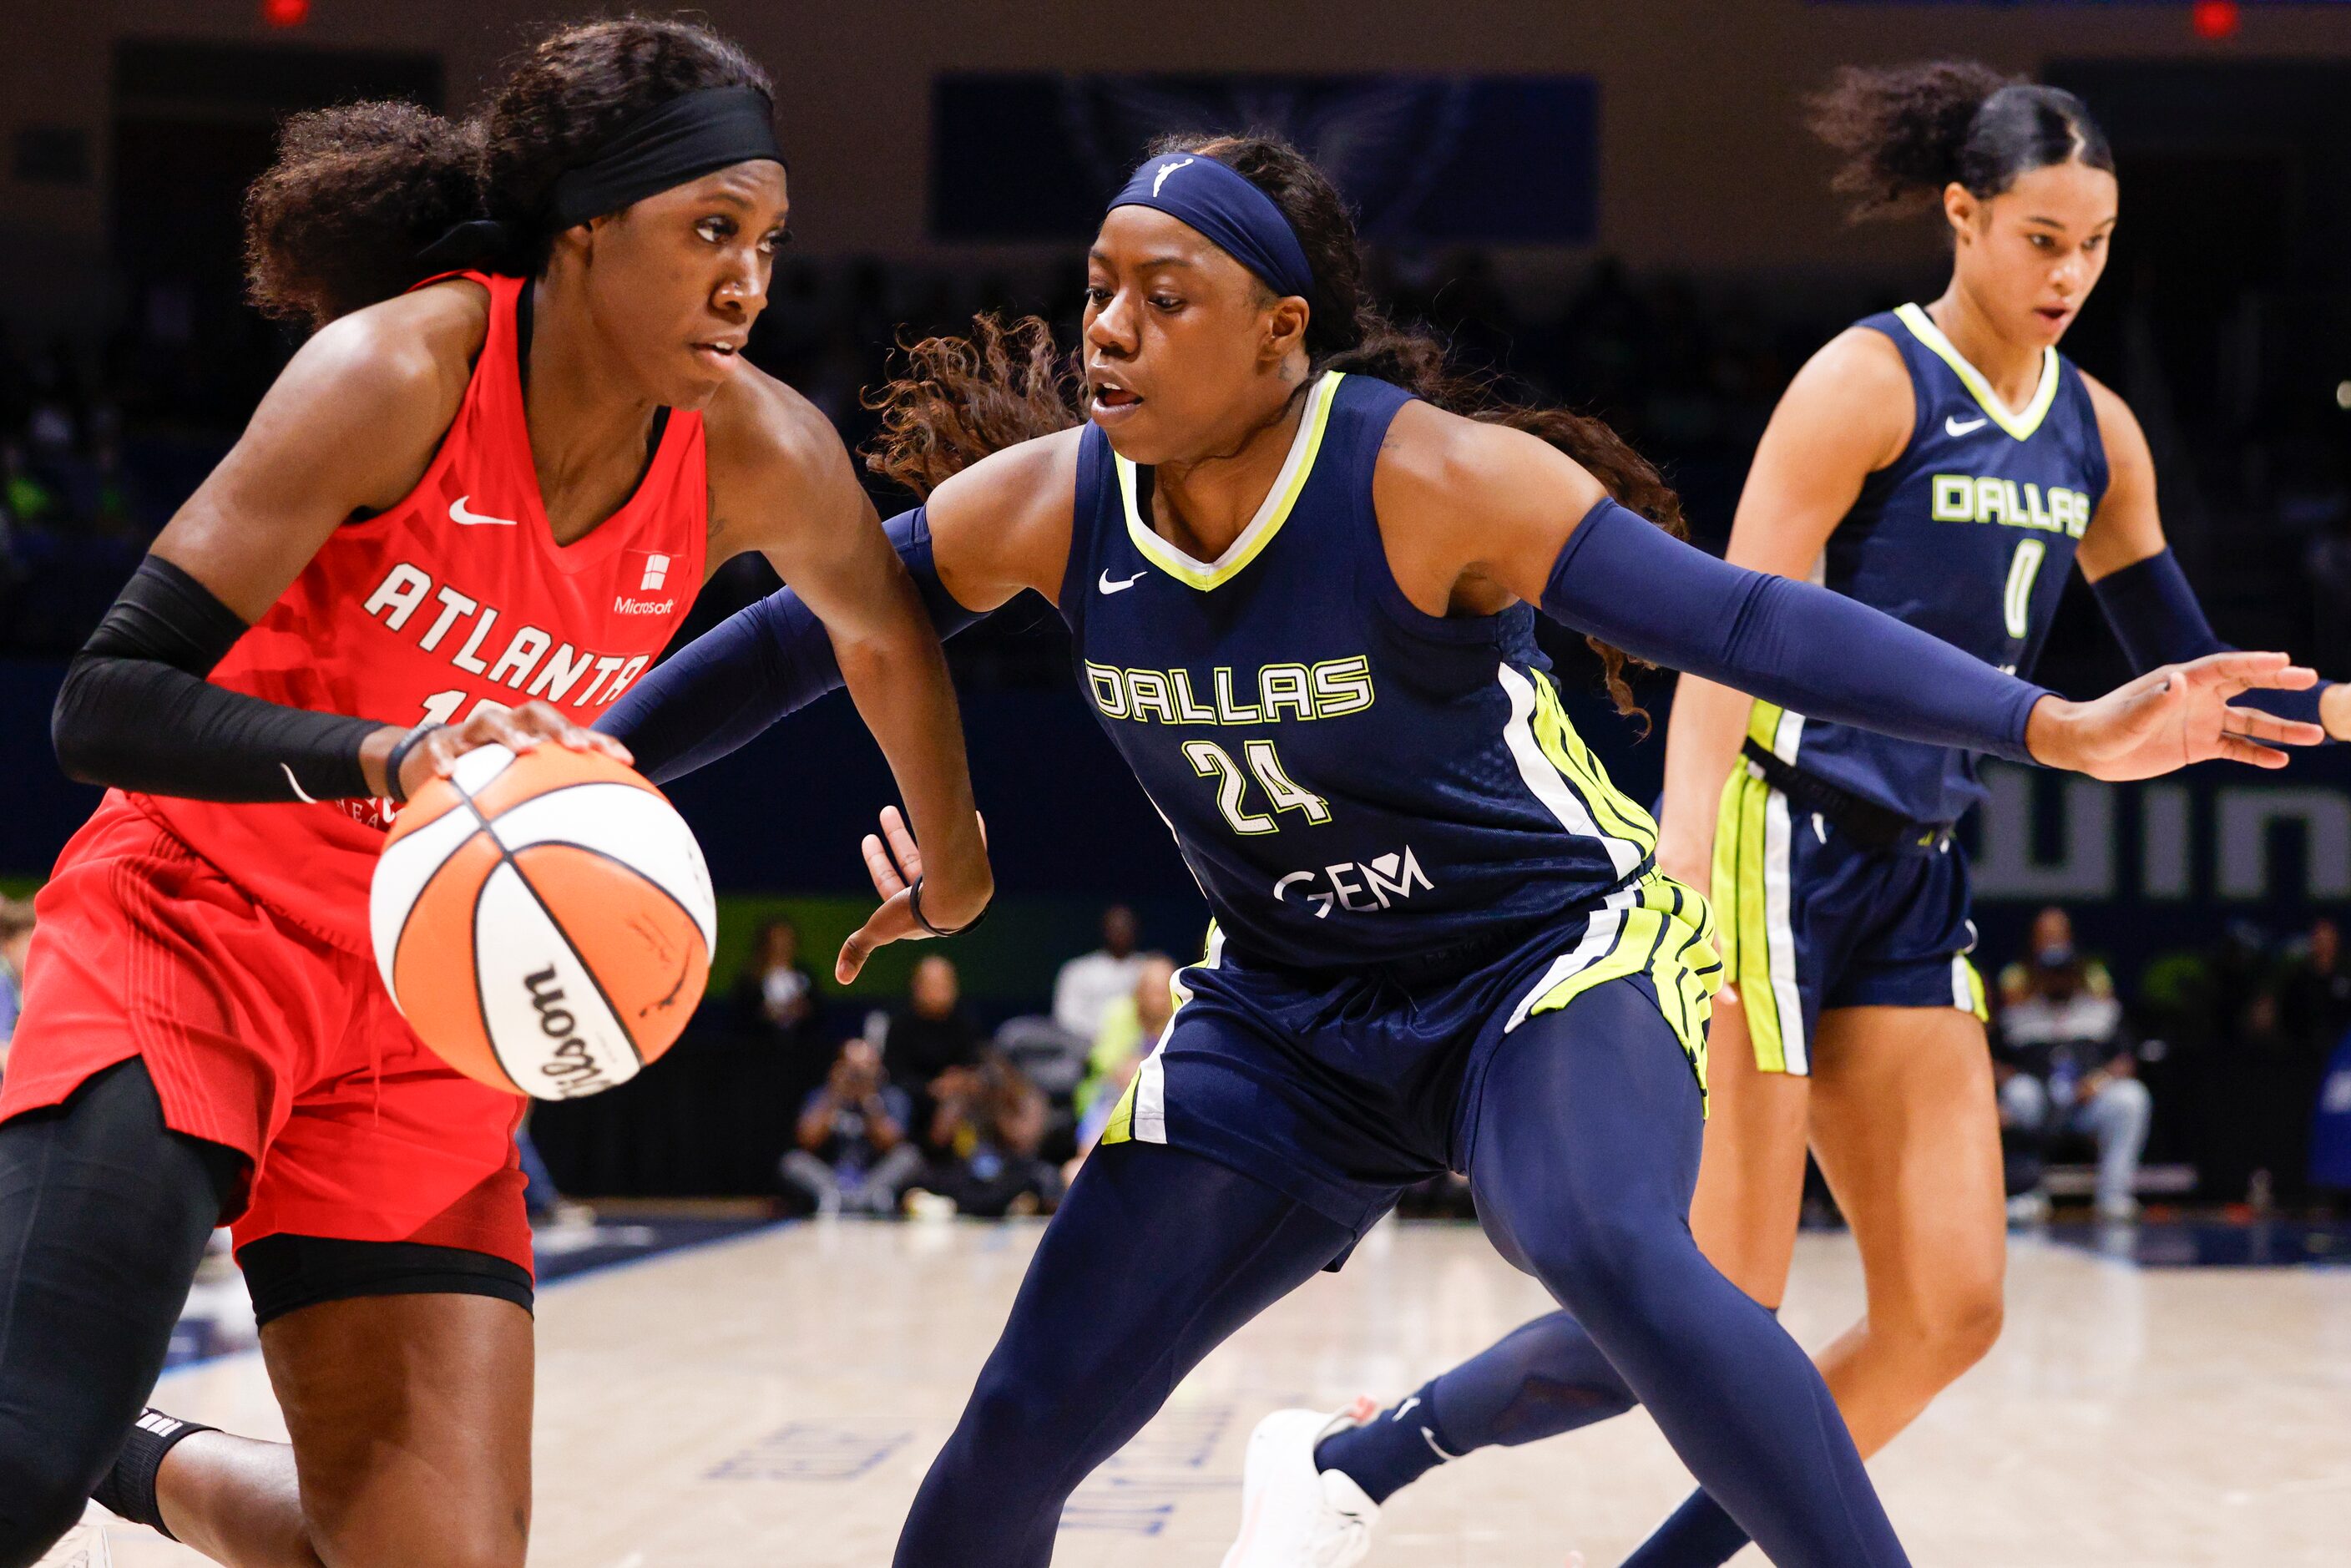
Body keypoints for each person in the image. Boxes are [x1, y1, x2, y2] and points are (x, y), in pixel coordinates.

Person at [600, 129, 2314, 1568]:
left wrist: (2060, 726)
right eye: (1099, 289)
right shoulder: (1051, 502)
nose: (1107, 329)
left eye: (1162, 296)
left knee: (1611, 1246)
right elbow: (795, 636)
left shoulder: (1428, 481)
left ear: (1280, 333)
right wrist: (590, 766)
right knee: (1018, 1426)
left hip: (1543, 966)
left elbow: (1746, 621)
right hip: (1279, 1016)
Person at [1273, 63, 2351, 1568]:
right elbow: (1730, 625)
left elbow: (2190, 665)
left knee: (1948, 1308)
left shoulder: (2100, 431)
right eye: (2042, 237)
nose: (2071, 272)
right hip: (1775, 846)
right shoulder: (1869, 381)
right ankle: (1359, 1457)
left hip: (1913, 875)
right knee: (1725, 1295)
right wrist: (1686, 849)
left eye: (2096, 243)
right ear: (1962, 216)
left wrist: (2337, 707)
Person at [0, 18, 989, 1568]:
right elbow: (100, 701)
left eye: (771, 241)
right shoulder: (396, 371)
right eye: (710, 232)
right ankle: (65, 1433)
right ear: (586, 231)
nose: (750, 281)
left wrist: (958, 849)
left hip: (429, 1011)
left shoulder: (760, 449)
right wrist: (382, 758)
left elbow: (876, 630)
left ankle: (147, 1453)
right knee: (11, 1464)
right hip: (198, 936)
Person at [1995, 907, 2147, 1222]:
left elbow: (2126, 1058)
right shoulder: (2017, 1013)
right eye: (2050, 971)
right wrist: (2011, 1079)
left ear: (2076, 970)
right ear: (2037, 970)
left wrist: (2100, 1080)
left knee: (2130, 1097)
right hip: (2037, 1104)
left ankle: (2114, 1196)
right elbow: (1991, 1060)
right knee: (2020, 1094)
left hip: (2084, 1105)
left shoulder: (2100, 1010)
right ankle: (2025, 1191)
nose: (2058, 978)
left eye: (2064, 970)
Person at [784, 1039, 923, 1216]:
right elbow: (807, 1140)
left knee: (909, 1156)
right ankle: (845, 1199)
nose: (859, 1074)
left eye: (867, 1066)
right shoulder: (822, 1096)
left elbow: (892, 1143)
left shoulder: (892, 1097)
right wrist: (835, 1096)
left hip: (874, 1177)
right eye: (853, 1067)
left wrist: (869, 1100)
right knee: (793, 1160)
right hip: (832, 1177)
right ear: (838, 1067)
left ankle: (864, 1198)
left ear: (879, 1069)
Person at [1052, 903, 1145, 1041]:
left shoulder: (1149, 969)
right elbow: (1065, 1017)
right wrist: (1106, 1036)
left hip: (1141, 1046)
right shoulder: (1078, 970)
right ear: (1104, 930)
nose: (1120, 932)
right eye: (1115, 928)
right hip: (1085, 1045)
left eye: (1125, 926)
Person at [0, 897, 33, 1070]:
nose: (35, 950)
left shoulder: (36, 986)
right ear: (8, 947)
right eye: (29, 942)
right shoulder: (2, 986)